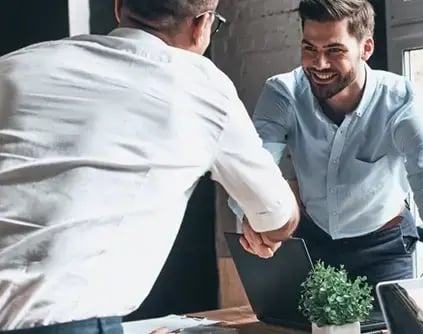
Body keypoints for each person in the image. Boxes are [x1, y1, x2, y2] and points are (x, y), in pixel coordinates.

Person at [0, 0, 300, 332]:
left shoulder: (14, 67)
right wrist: (268, 222)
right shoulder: (199, 85)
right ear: (201, 25)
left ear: (119, 7)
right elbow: (276, 217)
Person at [229, 0, 423, 294]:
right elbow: (253, 167)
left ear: (366, 49)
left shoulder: (403, 102)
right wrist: (249, 216)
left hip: (384, 248)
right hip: (311, 242)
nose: (319, 64)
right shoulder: (283, 93)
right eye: (309, 49)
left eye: (334, 50)